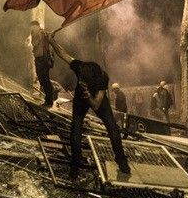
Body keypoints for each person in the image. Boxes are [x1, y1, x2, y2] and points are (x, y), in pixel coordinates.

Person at [48, 36, 130, 179]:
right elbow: (63, 54)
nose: (81, 82)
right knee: (76, 129)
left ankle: (121, 160)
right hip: (81, 99)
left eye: (84, 82)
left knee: (112, 127)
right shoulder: (80, 66)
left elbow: (96, 104)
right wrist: (51, 40)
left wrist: (88, 95)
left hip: (96, 99)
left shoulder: (102, 78)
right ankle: (75, 167)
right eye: (81, 80)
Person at [29, 21, 54, 107]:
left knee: (45, 79)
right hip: (38, 59)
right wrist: (38, 36)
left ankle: (49, 100)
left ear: (36, 26)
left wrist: (46, 35)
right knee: (41, 79)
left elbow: (50, 42)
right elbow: (34, 43)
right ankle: (49, 97)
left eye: (33, 27)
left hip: (43, 59)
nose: (31, 29)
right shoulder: (34, 35)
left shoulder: (43, 33)